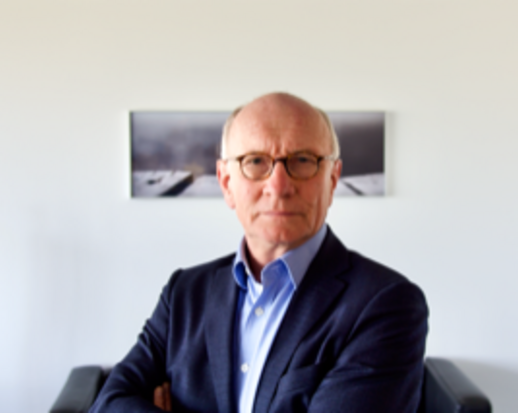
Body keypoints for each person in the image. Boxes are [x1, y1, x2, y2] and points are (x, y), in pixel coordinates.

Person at [90, 92, 428, 413]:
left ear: (332, 179)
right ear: (226, 183)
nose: (278, 187)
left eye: (303, 160)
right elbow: (110, 402)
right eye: (255, 161)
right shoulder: (184, 294)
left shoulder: (386, 304)